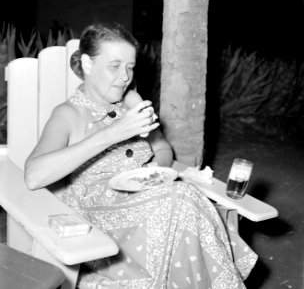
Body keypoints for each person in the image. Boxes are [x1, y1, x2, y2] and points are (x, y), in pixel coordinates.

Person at [24, 22, 257, 289]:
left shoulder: (131, 103)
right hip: (102, 213)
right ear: (87, 65)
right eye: (114, 65)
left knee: (182, 198)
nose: (124, 76)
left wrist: (151, 175)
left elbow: (162, 149)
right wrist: (113, 133)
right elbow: (33, 175)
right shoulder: (68, 115)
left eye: (130, 67)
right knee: (181, 199)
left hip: (151, 197)